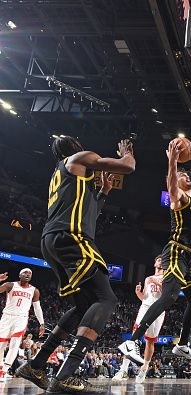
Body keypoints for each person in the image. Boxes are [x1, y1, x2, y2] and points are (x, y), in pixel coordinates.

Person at [17, 136, 135, 394]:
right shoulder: (78, 158)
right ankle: (66, 374)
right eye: (79, 142)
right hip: (71, 238)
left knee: (83, 305)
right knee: (106, 299)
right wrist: (127, 153)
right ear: (73, 148)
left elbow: (89, 210)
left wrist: (103, 192)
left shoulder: (66, 177)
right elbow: (127, 167)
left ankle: (36, 365)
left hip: (52, 240)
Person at [118, 139, 191, 366]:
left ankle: (182, 344)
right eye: (183, 175)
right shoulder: (178, 198)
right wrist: (172, 163)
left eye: (188, 175)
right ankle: (133, 341)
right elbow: (171, 186)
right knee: (169, 296)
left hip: (187, 257)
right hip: (175, 252)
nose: (186, 176)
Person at [114, 255, 164, 383]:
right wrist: (138, 293)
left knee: (150, 341)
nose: (161, 261)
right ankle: (123, 370)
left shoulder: (168, 277)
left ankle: (144, 368)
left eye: (163, 260)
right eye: (159, 259)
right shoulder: (148, 279)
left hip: (158, 310)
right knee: (133, 337)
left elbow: (169, 294)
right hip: (145, 307)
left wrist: (156, 281)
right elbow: (145, 298)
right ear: (154, 264)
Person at [0, 269, 44, 381]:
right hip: (7, 317)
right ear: (19, 275)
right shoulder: (10, 285)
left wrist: (42, 323)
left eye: (30, 273)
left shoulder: (34, 290)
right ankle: (1, 366)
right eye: (25, 272)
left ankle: (4, 369)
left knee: (15, 343)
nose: (28, 274)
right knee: (1, 345)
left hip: (21, 319)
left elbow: (37, 308)